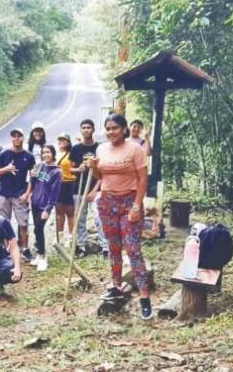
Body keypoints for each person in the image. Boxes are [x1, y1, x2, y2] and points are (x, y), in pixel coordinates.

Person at [92, 113, 152, 320]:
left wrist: (136, 205)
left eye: (115, 128)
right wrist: (93, 168)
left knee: (133, 249)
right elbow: (100, 177)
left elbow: (143, 180)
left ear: (124, 129)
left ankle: (145, 296)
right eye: (108, 128)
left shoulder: (135, 149)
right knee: (113, 247)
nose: (111, 132)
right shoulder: (100, 149)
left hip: (129, 203)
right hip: (107, 203)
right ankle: (116, 285)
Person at [0, 128, 36, 262]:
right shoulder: (4, 153)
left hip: (20, 193)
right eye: (14, 136)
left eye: (19, 136)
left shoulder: (29, 156)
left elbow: (33, 176)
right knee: (3, 222)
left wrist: (28, 193)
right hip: (4, 192)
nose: (17, 139)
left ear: (23, 138)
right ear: (11, 138)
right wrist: (6, 168)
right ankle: (5, 249)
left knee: (23, 223)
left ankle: (24, 248)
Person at [69, 119, 100, 258]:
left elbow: (103, 173)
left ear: (93, 130)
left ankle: (105, 247)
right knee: (80, 219)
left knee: (99, 218)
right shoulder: (76, 149)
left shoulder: (100, 148)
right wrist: (78, 169)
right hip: (79, 189)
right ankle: (81, 246)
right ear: (81, 130)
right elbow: (70, 169)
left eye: (89, 127)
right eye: (84, 128)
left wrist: (95, 191)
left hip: (96, 190)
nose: (86, 130)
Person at [28, 145, 61, 271]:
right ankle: (38, 254)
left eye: (48, 152)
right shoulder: (40, 166)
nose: (46, 154)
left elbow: (55, 193)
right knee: (36, 229)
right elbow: (33, 180)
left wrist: (48, 209)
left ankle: (43, 257)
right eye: (44, 152)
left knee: (39, 229)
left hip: (44, 205)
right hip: (35, 202)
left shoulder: (56, 172)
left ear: (53, 154)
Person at [55, 133, 76, 247]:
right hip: (58, 184)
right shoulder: (56, 154)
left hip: (69, 183)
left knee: (70, 211)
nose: (62, 142)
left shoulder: (72, 153)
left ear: (68, 142)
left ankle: (71, 237)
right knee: (59, 211)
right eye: (60, 140)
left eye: (65, 140)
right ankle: (60, 236)